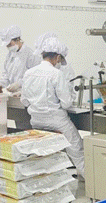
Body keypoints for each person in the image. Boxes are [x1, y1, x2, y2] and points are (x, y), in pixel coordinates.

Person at [21, 37, 84, 177]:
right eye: (60, 60)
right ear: (57, 57)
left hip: (36, 121)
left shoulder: (28, 73)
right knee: (77, 148)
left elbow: (24, 101)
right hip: (56, 121)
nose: (59, 63)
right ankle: (90, 183)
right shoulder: (57, 74)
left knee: (44, 155)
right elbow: (66, 103)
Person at [0, 25, 36, 93]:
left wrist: (19, 84)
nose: (8, 46)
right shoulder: (9, 55)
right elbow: (6, 76)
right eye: (7, 45)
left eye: (9, 44)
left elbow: (35, 77)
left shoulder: (30, 54)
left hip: (28, 95)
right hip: (14, 95)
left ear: (17, 39)